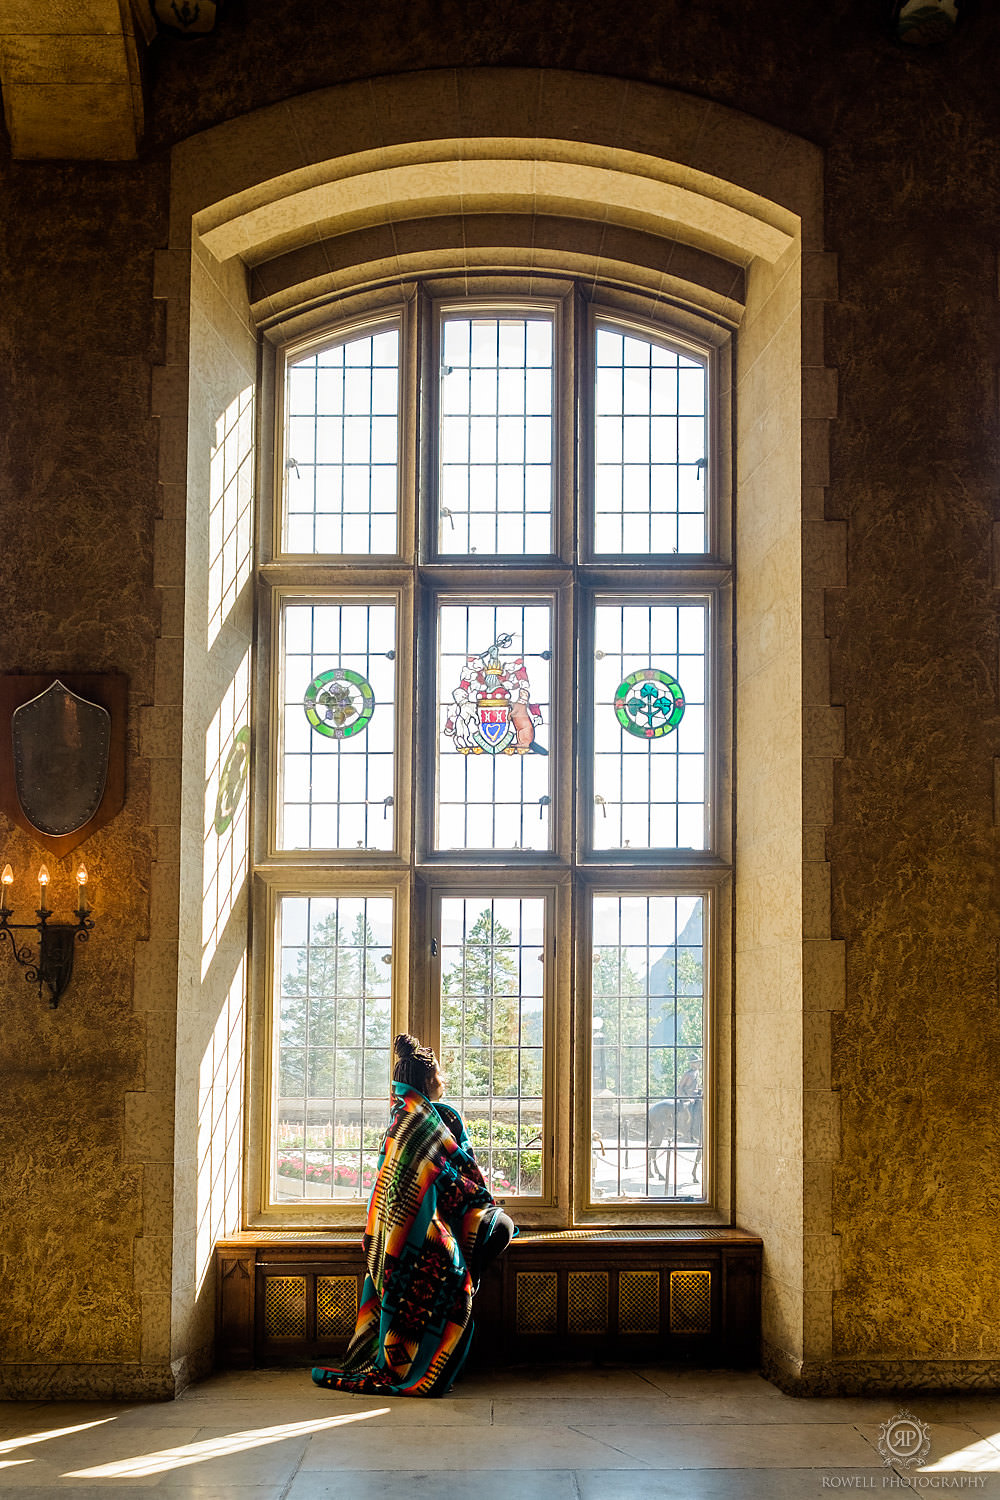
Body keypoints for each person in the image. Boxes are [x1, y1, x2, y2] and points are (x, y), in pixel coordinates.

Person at [311, 1033, 514, 1397]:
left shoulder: (417, 1117)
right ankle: (432, 1361)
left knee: (493, 1228)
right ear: (425, 1081)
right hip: (417, 1225)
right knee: (454, 1271)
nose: (444, 1081)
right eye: (439, 1076)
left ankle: (444, 1348)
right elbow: (427, 1181)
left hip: (427, 1217)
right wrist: (464, 1197)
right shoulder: (417, 1120)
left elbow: (452, 1166)